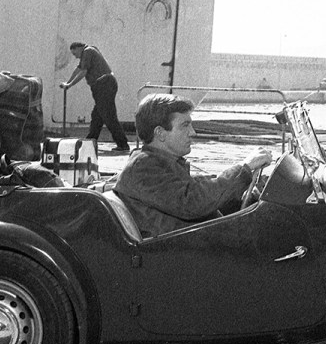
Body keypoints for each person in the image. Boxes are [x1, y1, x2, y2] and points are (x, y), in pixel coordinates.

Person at [113, 94, 272, 238]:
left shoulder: (162, 162)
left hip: (191, 245)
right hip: (179, 254)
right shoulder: (143, 166)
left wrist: (249, 195)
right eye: (185, 125)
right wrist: (244, 167)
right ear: (160, 133)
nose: (193, 132)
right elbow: (192, 203)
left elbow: (199, 190)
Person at [59, 42, 130, 152]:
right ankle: (90, 142)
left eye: (75, 53)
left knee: (108, 116)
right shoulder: (88, 53)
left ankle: (123, 144)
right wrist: (67, 83)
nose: (75, 56)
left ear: (78, 48)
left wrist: (70, 85)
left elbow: (83, 72)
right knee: (97, 116)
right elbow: (78, 69)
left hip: (103, 84)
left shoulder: (87, 52)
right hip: (104, 85)